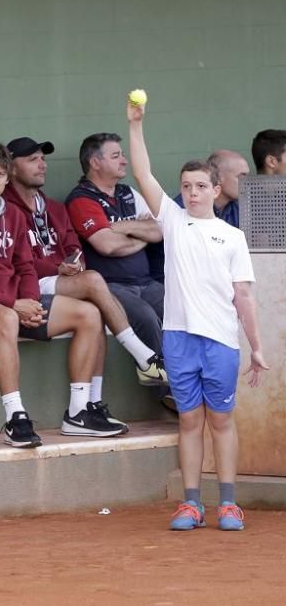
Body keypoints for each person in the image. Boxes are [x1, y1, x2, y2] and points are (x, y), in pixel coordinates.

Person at [126, 98, 267, 531]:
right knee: (189, 420)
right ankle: (191, 503)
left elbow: (243, 296)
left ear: (214, 188)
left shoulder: (232, 236)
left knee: (220, 420)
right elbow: (142, 174)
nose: (192, 193)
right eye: (186, 186)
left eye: (200, 186)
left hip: (221, 340)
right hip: (179, 338)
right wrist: (136, 125)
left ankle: (228, 503)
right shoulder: (171, 220)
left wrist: (256, 348)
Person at [0, 142, 125, 449]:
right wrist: (14, 304)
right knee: (8, 318)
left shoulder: (11, 214)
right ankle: (16, 417)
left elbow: (24, 265)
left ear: (7, 177)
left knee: (89, 314)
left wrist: (32, 303)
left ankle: (78, 413)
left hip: (17, 302)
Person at [5, 135, 169, 427]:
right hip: (31, 284)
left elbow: (74, 244)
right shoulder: (5, 210)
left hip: (67, 279)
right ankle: (144, 357)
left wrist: (73, 259)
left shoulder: (52, 207)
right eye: (32, 160)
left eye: (43, 158)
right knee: (94, 281)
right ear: (11, 169)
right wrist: (61, 265)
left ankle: (90, 405)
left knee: (95, 313)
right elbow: (20, 260)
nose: (42, 165)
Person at [64, 132, 168, 390]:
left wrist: (120, 227)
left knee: (178, 308)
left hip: (145, 281)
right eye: (116, 155)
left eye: (122, 155)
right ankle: (166, 392)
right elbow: (107, 245)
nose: (124, 160)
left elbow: (159, 230)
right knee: (145, 317)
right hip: (112, 286)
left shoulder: (128, 193)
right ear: (95, 163)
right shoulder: (81, 199)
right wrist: (139, 231)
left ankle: (189, 384)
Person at [172, 149, 249, 227]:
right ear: (218, 177)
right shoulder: (181, 208)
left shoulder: (239, 209)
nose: (247, 182)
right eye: (241, 176)